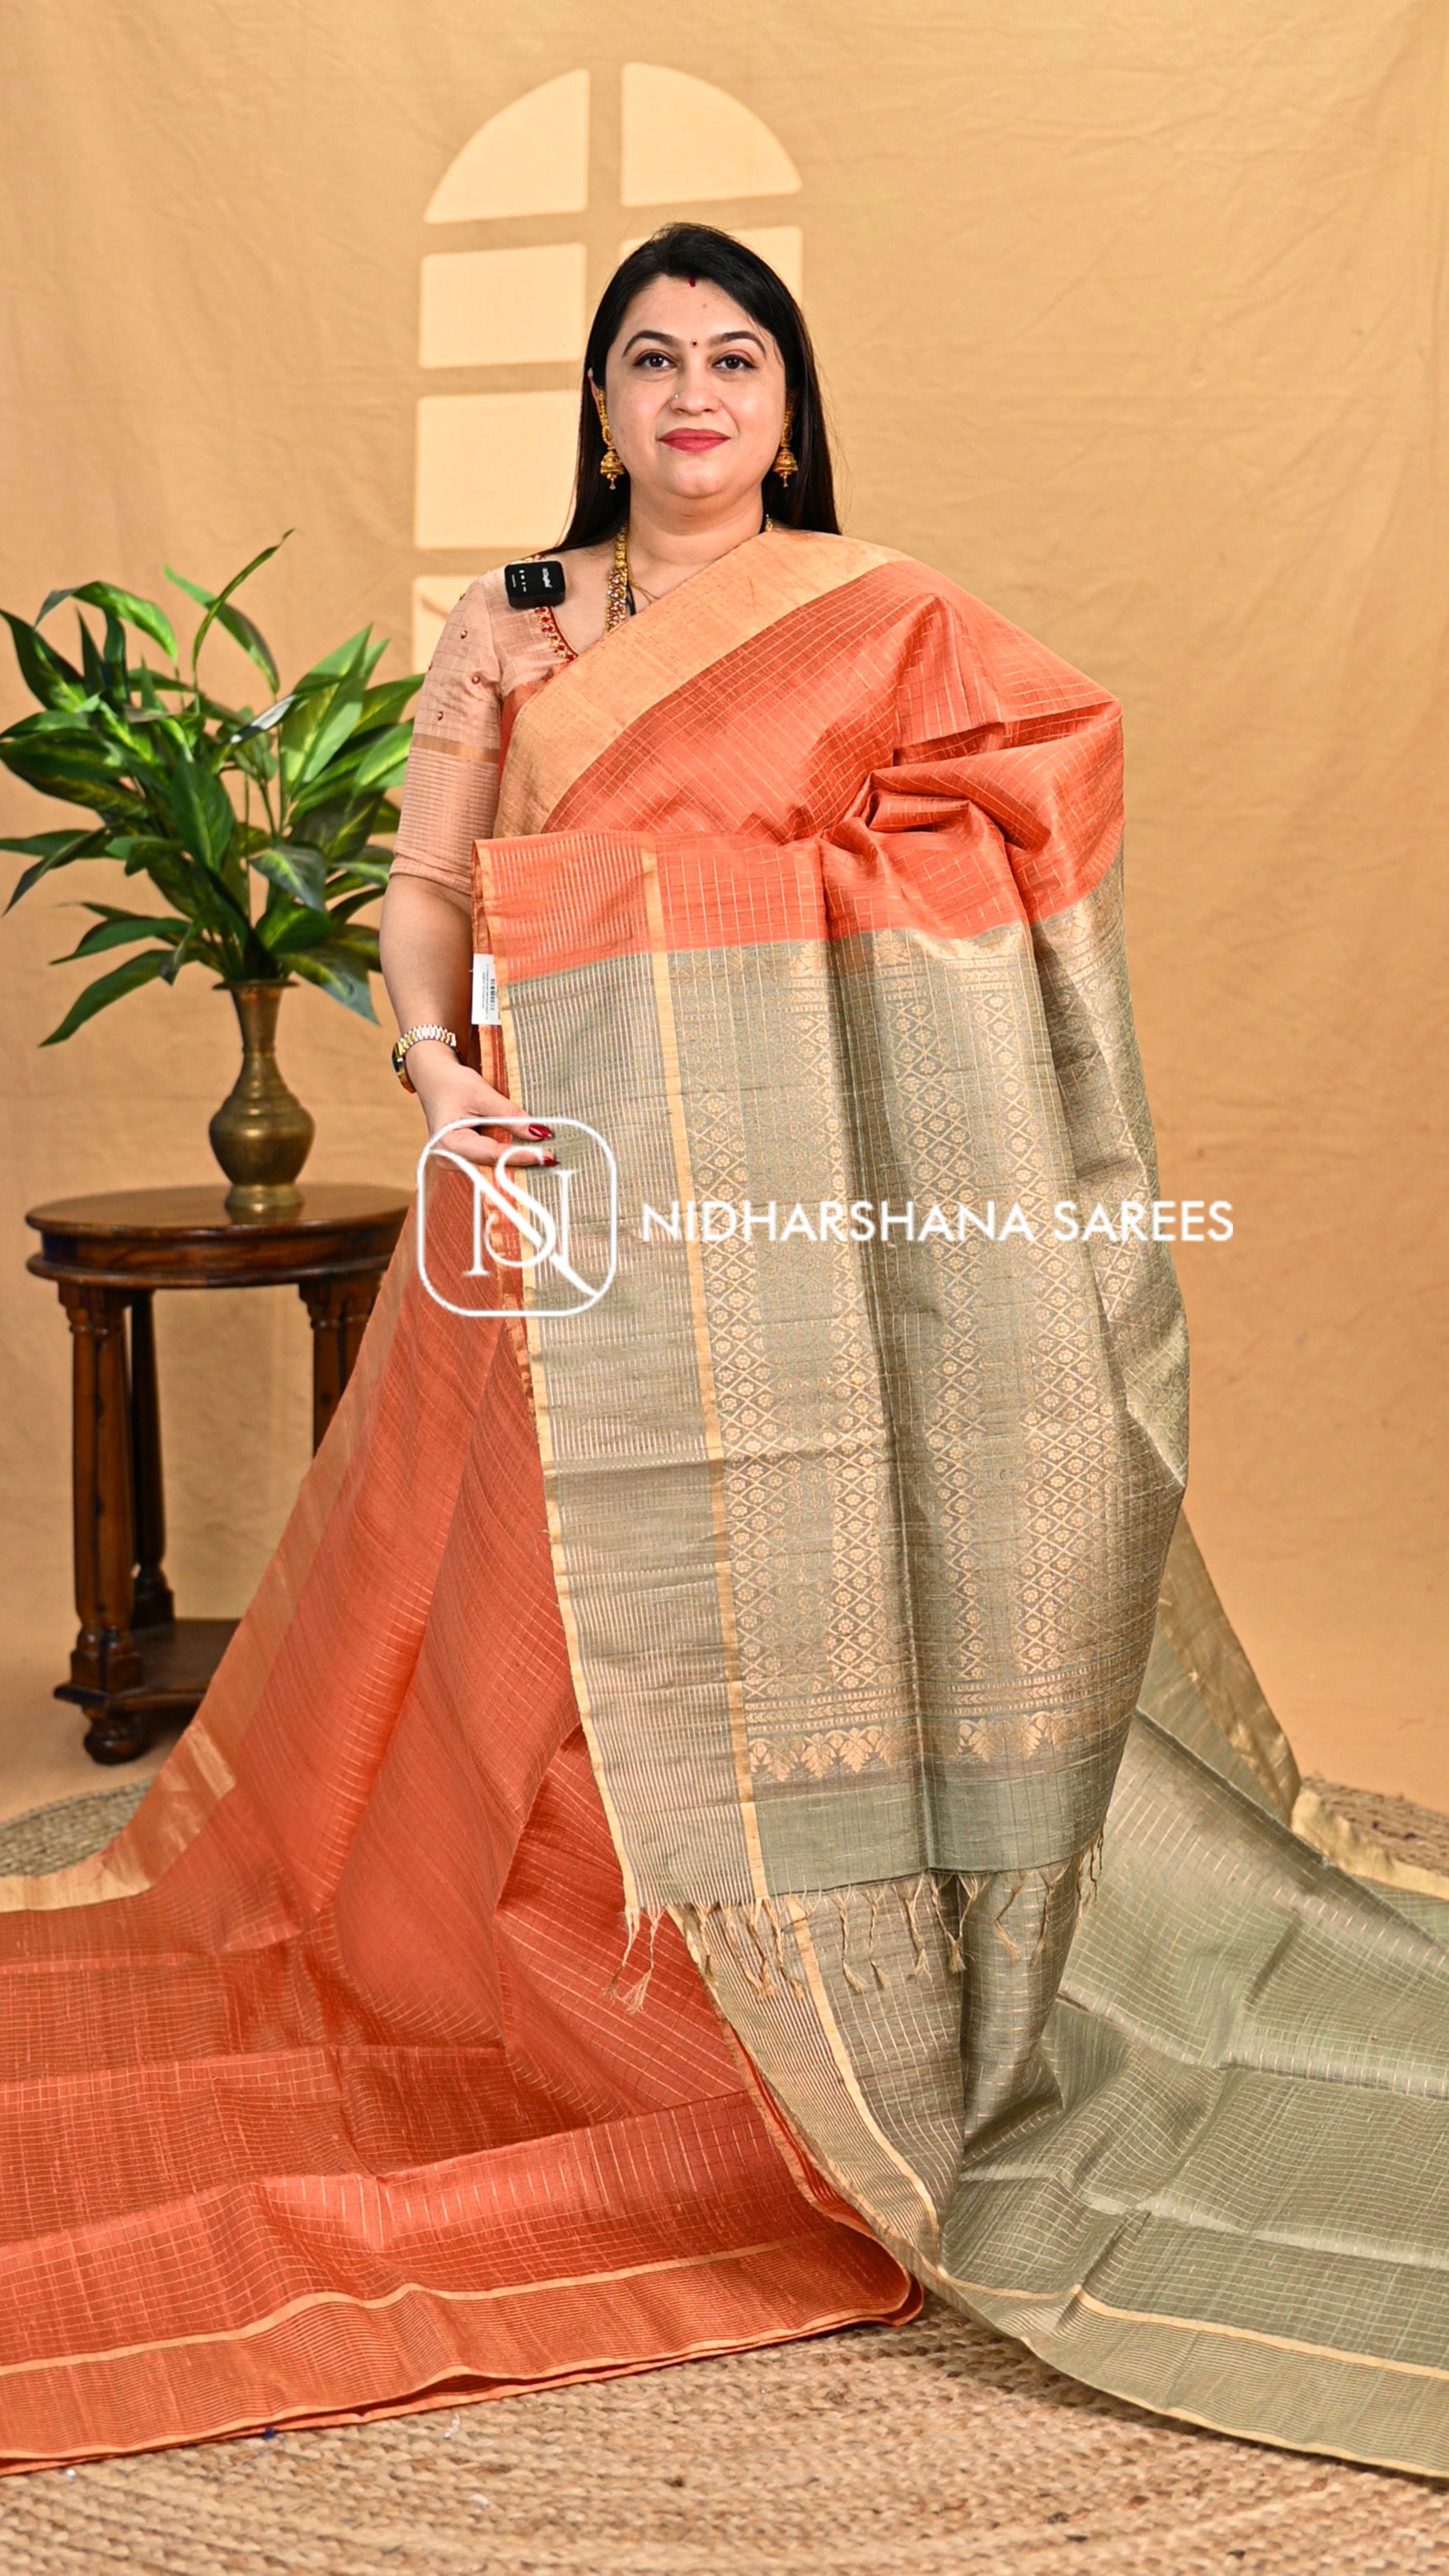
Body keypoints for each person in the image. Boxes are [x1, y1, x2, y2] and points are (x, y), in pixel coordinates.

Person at [0, 225, 1447, 2480]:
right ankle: (588, 2009)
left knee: (779, 1605)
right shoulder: (517, 621)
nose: (693, 394)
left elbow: (1026, 815)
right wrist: (437, 1076)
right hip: (556, 1180)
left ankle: (797, 2017)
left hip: (790, 1216)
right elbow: (435, 890)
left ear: (788, 405)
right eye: (652, 359)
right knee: (544, 1632)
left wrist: (765, 919)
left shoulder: (877, 617)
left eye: (736, 358)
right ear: (599, 408)